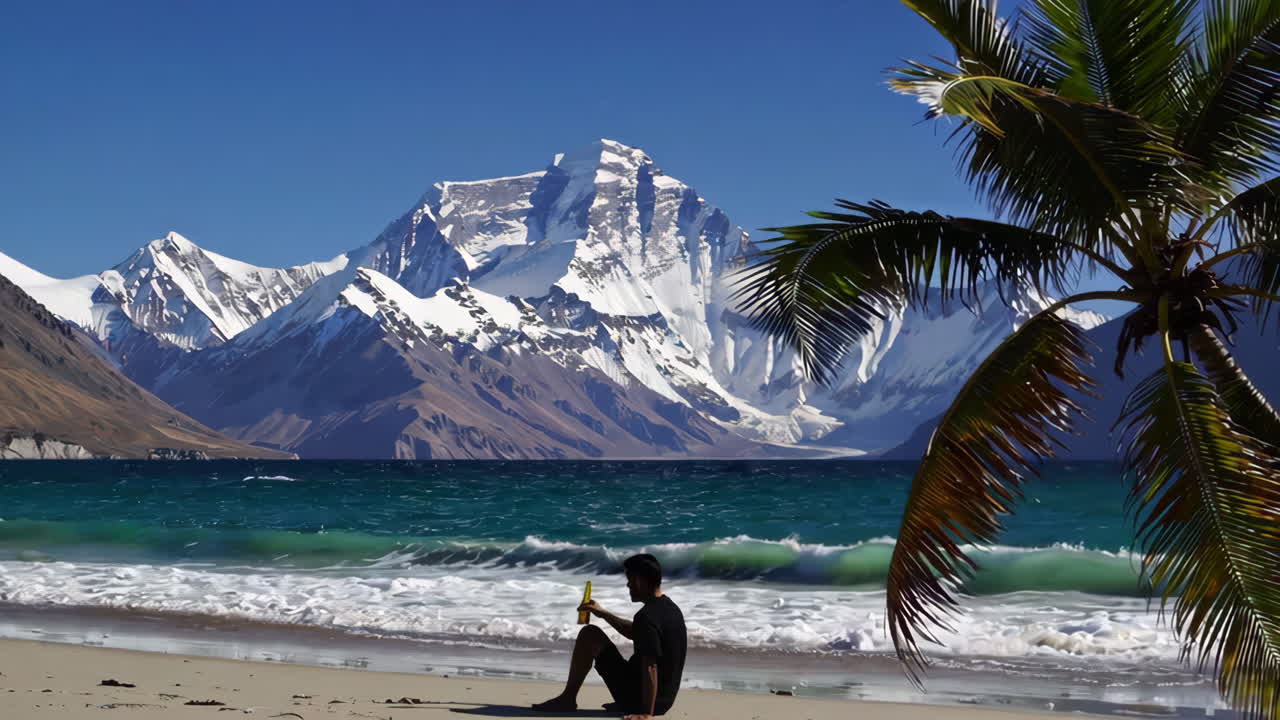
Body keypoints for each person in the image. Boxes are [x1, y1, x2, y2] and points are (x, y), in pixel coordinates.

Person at [532, 554, 687, 718]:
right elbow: (635, 632)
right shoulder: (671, 609)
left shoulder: (646, 617)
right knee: (594, 634)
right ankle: (630, 702)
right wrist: (603, 613)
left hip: (642, 701)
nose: (628, 585)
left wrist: (646, 713)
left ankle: (568, 699)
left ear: (640, 580)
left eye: (630, 579)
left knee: (589, 634)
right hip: (665, 700)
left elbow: (651, 666)